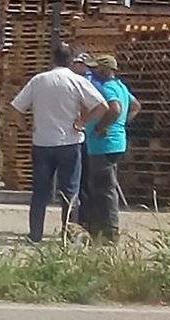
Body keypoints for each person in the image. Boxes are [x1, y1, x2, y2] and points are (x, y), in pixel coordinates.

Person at [11, 42, 107, 243]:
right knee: (70, 192)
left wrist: (25, 128)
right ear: (71, 61)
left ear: (52, 59)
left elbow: (17, 108)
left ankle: (35, 234)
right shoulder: (76, 80)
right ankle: (69, 236)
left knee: (40, 192)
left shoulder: (38, 81)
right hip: (70, 143)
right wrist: (82, 122)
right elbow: (102, 106)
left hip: (42, 143)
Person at [85, 54, 141, 242]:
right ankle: (103, 229)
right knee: (105, 186)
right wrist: (122, 124)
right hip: (116, 143)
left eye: (96, 68)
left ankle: (109, 233)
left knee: (104, 189)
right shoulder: (121, 87)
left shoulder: (107, 87)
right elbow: (135, 106)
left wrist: (103, 126)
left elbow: (115, 109)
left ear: (105, 70)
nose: (93, 71)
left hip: (104, 145)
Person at [70, 52, 96, 227]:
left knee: (80, 181)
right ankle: (81, 219)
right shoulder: (83, 81)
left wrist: (82, 122)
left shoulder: (85, 82)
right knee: (81, 181)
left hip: (84, 137)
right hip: (88, 137)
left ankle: (80, 220)